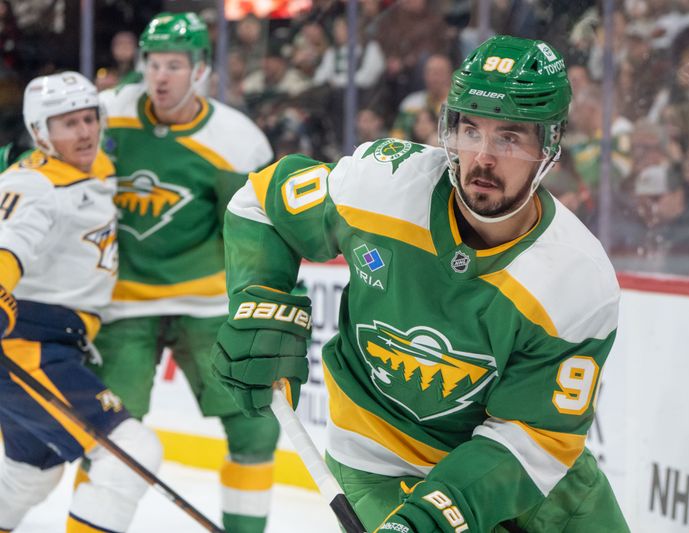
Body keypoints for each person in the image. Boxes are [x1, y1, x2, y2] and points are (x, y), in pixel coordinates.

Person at [213, 35, 629, 532]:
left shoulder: (577, 280)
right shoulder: (381, 184)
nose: (483, 158)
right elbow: (260, 203)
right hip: (378, 456)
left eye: (510, 138)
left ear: (550, 146)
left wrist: (438, 515)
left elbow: (534, 440)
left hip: (521, 475)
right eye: (470, 130)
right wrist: (259, 301)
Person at [89, 12, 276, 533]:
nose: (162, 76)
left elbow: (252, 236)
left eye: (175, 64)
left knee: (255, 431)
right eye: (153, 63)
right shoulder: (108, 114)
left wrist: (266, 304)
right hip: (123, 301)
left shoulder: (238, 141)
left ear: (201, 71)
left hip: (208, 304)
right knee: (103, 436)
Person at [0, 71, 161, 533]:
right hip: (24, 346)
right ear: (39, 133)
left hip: (55, 344)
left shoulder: (91, 171)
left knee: (30, 477)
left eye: (90, 119)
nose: (86, 131)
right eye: (67, 123)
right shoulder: (34, 186)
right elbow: (9, 246)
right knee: (132, 452)